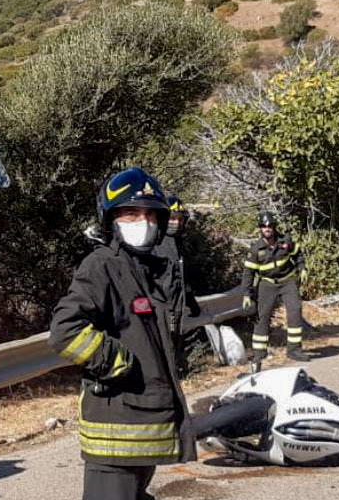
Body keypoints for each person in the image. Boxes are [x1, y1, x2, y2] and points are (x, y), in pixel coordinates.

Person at [49, 167, 196, 500]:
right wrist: (119, 363)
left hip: (145, 423)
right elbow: (65, 331)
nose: (141, 222)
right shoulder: (102, 265)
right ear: (111, 220)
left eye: (148, 214)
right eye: (130, 213)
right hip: (117, 428)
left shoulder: (150, 269)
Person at [241, 211, 309, 365]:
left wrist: (302, 268)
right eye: (264, 226)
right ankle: (259, 354)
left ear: (274, 227)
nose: (267, 228)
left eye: (270, 226)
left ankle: (294, 350)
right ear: (260, 228)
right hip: (267, 284)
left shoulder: (285, 241)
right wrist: (246, 294)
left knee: (295, 310)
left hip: (288, 281)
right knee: (262, 317)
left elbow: (298, 253)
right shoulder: (255, 250)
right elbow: (248, 273)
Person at [156, 195, 202, 373]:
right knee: (164, 342)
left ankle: (176, 370)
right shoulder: (155, 244)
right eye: (171, 218)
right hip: (162, 306)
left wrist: (190, 300)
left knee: (175, 339)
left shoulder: (178, 244)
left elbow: (182, 277)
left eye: (179, 218)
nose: (175, 222)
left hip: (177, 304)